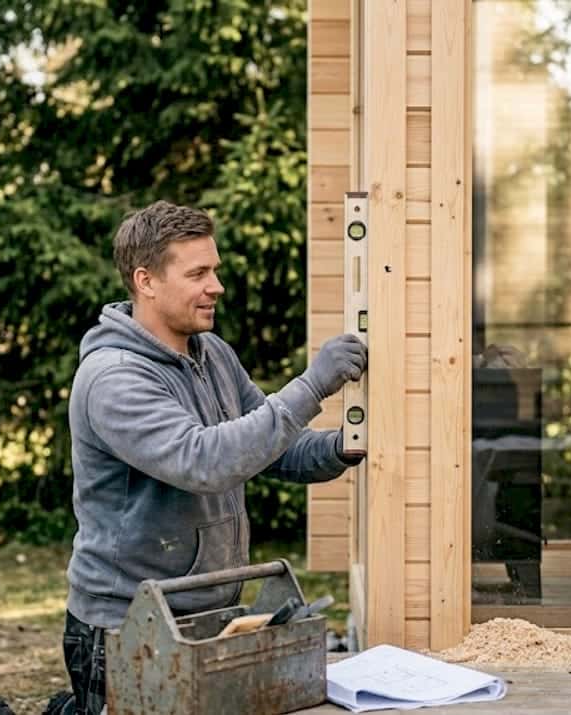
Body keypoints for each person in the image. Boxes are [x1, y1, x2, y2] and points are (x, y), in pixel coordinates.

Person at [60, 200, 368, 715]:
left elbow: (271, 447)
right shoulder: (114, 378)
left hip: (208, 613)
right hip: (127, 629)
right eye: (198, 273)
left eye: (215, 270)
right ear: (145, 281)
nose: (216, 286)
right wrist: (312, 384)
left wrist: (345, 445)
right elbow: (205, 462)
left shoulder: (213, 354)